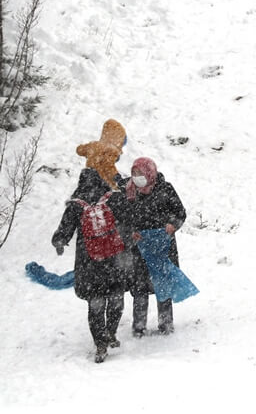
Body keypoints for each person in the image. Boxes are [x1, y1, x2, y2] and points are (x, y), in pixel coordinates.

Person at [52, 119, 131, 363]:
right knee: (116, 297)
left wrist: (60, 241)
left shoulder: (77, 203)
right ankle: (111, 333)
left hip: (89, 262)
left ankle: (100, 344)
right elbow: (128, 219)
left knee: (96, 303)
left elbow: (65, 228)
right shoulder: (111, 197)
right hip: (114, 259)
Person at [125, 157, 186, 337]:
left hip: (163, 246)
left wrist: (172, 224)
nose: (136, 177)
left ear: (149, 173)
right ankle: (139, 326)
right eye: (134, 174)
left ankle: (165, 324)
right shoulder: (129, 192)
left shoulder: (165, 189)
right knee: (140, 287)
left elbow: (180, 212)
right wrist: (130, 232)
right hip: (140, 248)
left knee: (163, 284)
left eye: (140, 173)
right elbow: (123, 218)